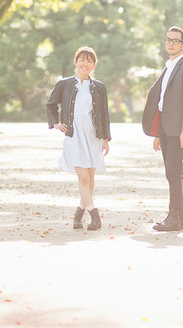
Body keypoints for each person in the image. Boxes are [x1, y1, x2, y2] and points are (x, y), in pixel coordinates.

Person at [46, 46, 111, 231]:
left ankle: (79, 214)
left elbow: (104, 114)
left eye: (90, 61)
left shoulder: (99, 87)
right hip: (73, 135)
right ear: (76, 62)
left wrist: (105, 139)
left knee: (90, 177)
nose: (85, 63)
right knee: (83, 177)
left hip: (93, 136)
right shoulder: (64, 84)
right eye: (82, 59)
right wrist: (55, 123)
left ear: (93, 65)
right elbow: (51, 105)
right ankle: (94, 214)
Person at [141, 26, 183, 231]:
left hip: (178, 129)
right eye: (168, 40)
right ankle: (182, 217)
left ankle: (173, 217)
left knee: (173, 171)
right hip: (165, 127)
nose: (171, 43)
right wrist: (157, 132)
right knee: (176, 170)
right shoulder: (168, 67)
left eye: (175, 40)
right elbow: (162, 101)